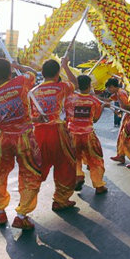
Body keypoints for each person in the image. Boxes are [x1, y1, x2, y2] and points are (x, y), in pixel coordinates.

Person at [0, 57, 42, 230]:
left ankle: (0, 211)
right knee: (30, 174)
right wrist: (18, 65)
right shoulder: (20, 82)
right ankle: (21, 214)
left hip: (3, 138)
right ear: (10, 70)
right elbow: (33, 73)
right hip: (24, 137)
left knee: (0, 174)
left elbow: (4, 117)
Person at [30, 58, 78, 211]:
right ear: (58, 73)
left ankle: (25, 205)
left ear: (42, 73)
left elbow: (28, 116)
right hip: (57, 132)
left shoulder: (32, 92)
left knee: (36, 168)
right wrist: (65, 66)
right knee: (65, 164)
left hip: (38, 133)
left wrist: (37, 119)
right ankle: (60, 199)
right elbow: (75, 83)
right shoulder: (61, 87)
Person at [66, 74, 107, 194]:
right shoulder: (94, 101)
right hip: (88, 134)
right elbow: (95, 119)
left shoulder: (70, 99)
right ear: (89, 86)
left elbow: (67, 117)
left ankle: (78, 175)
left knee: (75, 158)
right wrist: (103, 106)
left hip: (73, 133)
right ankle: (99, 185)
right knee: (95, 159)